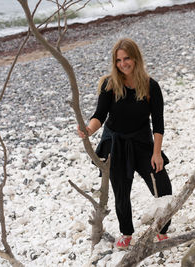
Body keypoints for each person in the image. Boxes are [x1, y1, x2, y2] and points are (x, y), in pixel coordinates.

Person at [77, 38, 172, 249]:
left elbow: (158, 123)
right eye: (118, 60)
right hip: (115, 143)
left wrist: (156, 154)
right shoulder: (109, 84)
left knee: (162, 186)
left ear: (136, 58)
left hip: (142, 141)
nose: (123, 63)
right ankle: (126, 233)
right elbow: (100, 115)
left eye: (127, 58)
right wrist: (89, 130)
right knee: (121, 191)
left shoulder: (150, 86)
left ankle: (162, 230)